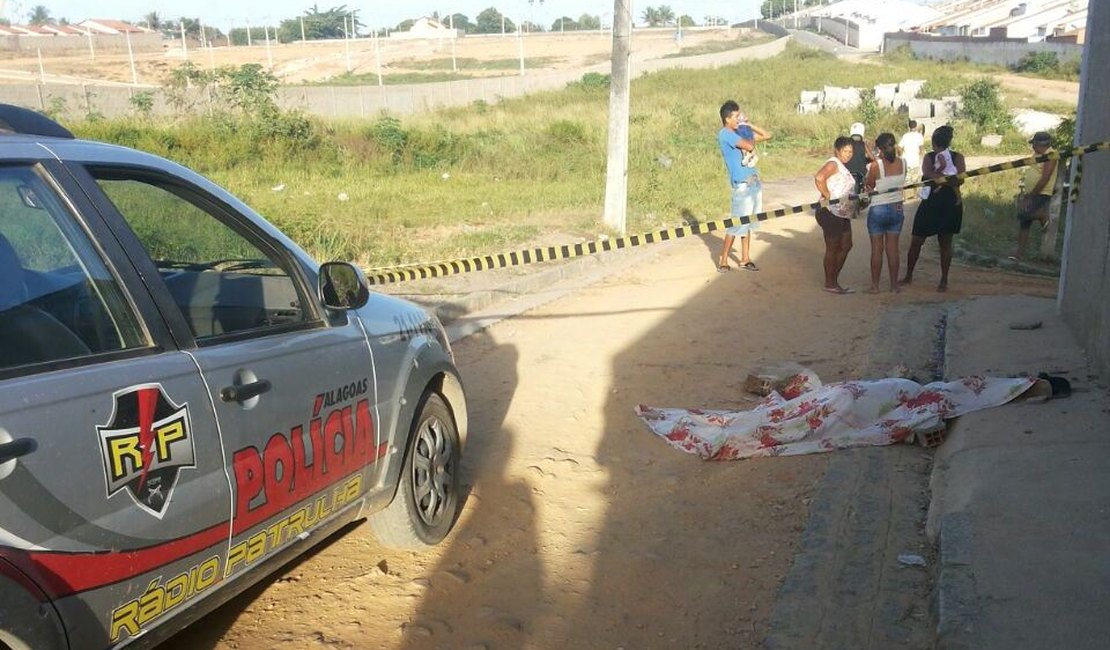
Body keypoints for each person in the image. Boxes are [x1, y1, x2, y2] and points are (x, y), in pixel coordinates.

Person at [901, 125, 965, 292]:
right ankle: (939, 279)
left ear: (934, 142)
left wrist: (940, 178)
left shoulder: (935, 157)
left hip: (938, 202)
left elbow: (931, 175)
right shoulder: (954, 157)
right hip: (944, 202)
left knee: (921, 242)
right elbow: (957, 178)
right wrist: (948, 179)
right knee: (940, 243)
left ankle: (916, 276)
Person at [717, 100, 771, 272]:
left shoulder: (740, 132)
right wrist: (746, 132)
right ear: (727, 118)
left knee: (748, 223)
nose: (738, 119)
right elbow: (748, 145)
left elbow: (767, 135)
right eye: (736, 116)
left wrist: (749, 125)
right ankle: (723, 260)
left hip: (753, 182)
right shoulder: (726, 134)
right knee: (736, 223)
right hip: (742, 185)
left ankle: (745, 258)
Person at [814, 136, 858, 294]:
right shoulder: (833, 163)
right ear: (837, 150)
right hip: (830, 212)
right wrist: (827, 195)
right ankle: (830, 282)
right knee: (833, 247)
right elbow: (819, 178)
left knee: (846, 245)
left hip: (842, 214)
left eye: (850, 151)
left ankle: (833, 279)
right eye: (845, 151)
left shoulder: (842, 166)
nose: (848, 154)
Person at [863, 133, 906, 293]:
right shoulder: (903, 163)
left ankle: (875, 286)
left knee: (877, 249)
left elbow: (869, 184)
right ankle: (894, 286)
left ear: (879, 149)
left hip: (878, 208)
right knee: (893, 249)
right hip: (897, 208)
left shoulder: (876, 166)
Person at [1010, 131, 1058, 261]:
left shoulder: (1051, 155)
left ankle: (1042, 216)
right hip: (1030, 192)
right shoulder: (1037, 155)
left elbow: (1045, 177)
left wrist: (1031, 195)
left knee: (1024, 214)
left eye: (1034, 144)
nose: (1032, 147)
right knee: (1024, 222)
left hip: (1041, 192)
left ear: (1041, 144)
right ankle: (1019, 253)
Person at [847, 122, 874, 194]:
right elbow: (872, 157)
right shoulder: (863, 144)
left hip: (847, 172)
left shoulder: (846, 144)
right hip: (860, 173)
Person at [898, 119, 925, 189]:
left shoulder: (905, 136)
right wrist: (922, 160)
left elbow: (899, 147)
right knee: (916, 182)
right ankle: (915, 197)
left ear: (909, 127)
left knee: (907, 183)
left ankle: (907, 196)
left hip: (907, 162)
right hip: (916, 162)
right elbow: (921, 149)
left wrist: (901, 156)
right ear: (916, 127)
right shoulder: (919, 136)